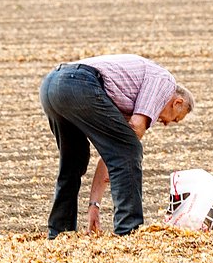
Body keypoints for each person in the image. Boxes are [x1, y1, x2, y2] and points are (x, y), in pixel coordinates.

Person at [37, 54, 194, 237]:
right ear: (178, 102)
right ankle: (128, 230)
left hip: (52, 85)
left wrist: (94, 205)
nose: (165, 123)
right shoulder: (165, 81)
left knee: (74, 160)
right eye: (174, 119)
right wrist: (128, 145)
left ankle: (59, 232)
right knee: (130, 149)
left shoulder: (126, 97)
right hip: (79, 83)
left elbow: (111, 153)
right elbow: (127, 145)